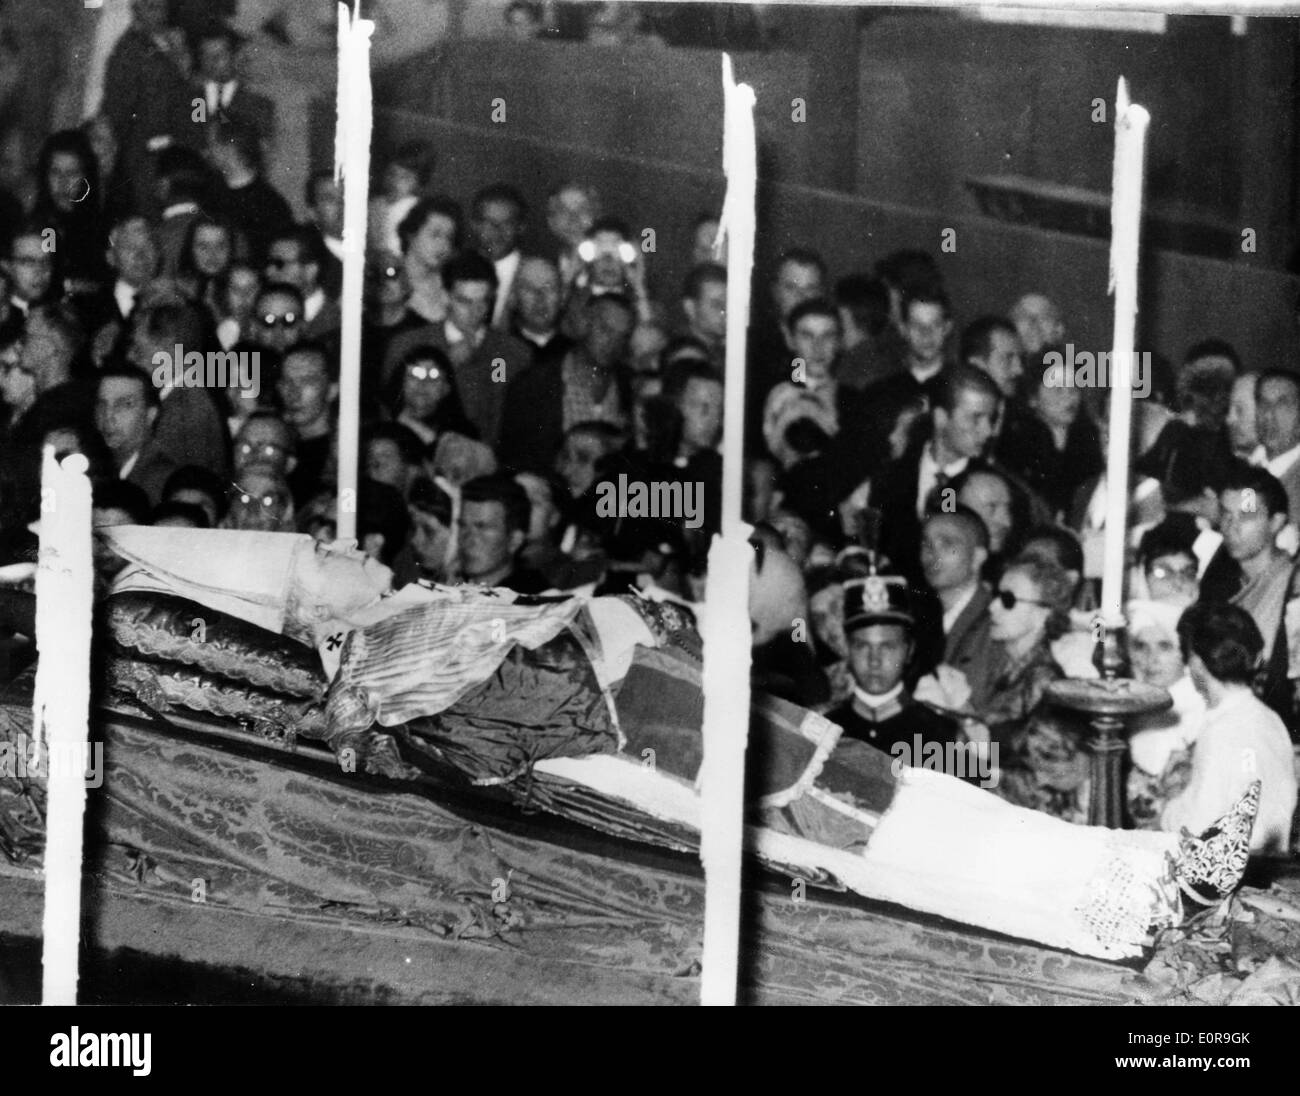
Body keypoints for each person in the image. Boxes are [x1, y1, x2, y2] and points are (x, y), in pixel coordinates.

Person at [843, 364, 1001, 586]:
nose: (987, 431)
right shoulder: (887, 479)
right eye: (975, 418)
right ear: (940, 418)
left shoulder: (990, 488)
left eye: (991, 419)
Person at [1162, 602, 1297, 856]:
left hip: (1234, 873)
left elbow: (1198, 828)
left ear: (1196, 662)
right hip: (1269, 861)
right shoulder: (1269, 719)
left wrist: (1169, 806)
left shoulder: (1222, 732)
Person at [825, 574, 963, 755]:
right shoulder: (826, 732)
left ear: (909, 650)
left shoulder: (942, 735)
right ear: (848, 650)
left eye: (887, 647)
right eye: (862, 646)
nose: (874, 660)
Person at [498, 293, 635, 473]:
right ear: (585, 324)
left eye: (622, 337)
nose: (613, 343)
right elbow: (513, 456)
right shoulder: (534, 385)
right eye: (606, 330)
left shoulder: (630, 385)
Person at [1125, 598, 1206, 829]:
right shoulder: (1135, 701)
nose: (1151, 659)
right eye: (1141, 646)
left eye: (1164, 646)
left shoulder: (1200, 707)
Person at [920, 507, 992, 677]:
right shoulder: (920, 617)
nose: (932, 555)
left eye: (947, 544)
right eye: (926, 544)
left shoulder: (992, 622)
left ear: (977, 557)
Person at [95, 367, 175, 507]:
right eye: (102, 405)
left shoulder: (162, 480)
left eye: (125, 405)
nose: (108, 416)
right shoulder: (100, 469)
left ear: (150, 414)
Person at [456, 474, 548, 593]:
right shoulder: (451, 586)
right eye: (463, 525)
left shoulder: (534, 602)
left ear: (515, 540)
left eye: (482, 527)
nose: (468, 540)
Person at [277, 342, 337, 506]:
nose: (294, 393)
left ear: (332, 389)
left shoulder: (340, 455)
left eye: (307, 382)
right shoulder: (278, 446)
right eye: (287, 382)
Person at [470, 183, 527, 329]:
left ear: (520, 227)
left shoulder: (531, 272)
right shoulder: (453, 267)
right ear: (475, 224)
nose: (497, 231)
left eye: (507, 223)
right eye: (489, 222)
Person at [1251, 369, 1300, 530]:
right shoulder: (1251, 465)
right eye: (1263, 404)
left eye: (1282, 405)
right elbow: (1246, 515)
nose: (1269, 416)